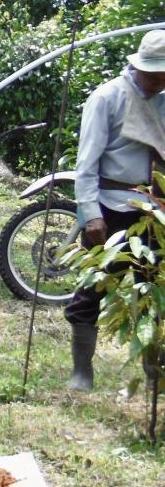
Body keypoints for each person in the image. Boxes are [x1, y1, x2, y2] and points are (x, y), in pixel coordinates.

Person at [66, 30, 165, 391]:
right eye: (154, 72)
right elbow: (86, 163)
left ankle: (155, 375)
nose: (159, 79)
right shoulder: (108, 97)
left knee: (154, 292)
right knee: (92, 289)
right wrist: (90, 214)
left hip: (155, 210)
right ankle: (82, 370)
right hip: (110, 207)